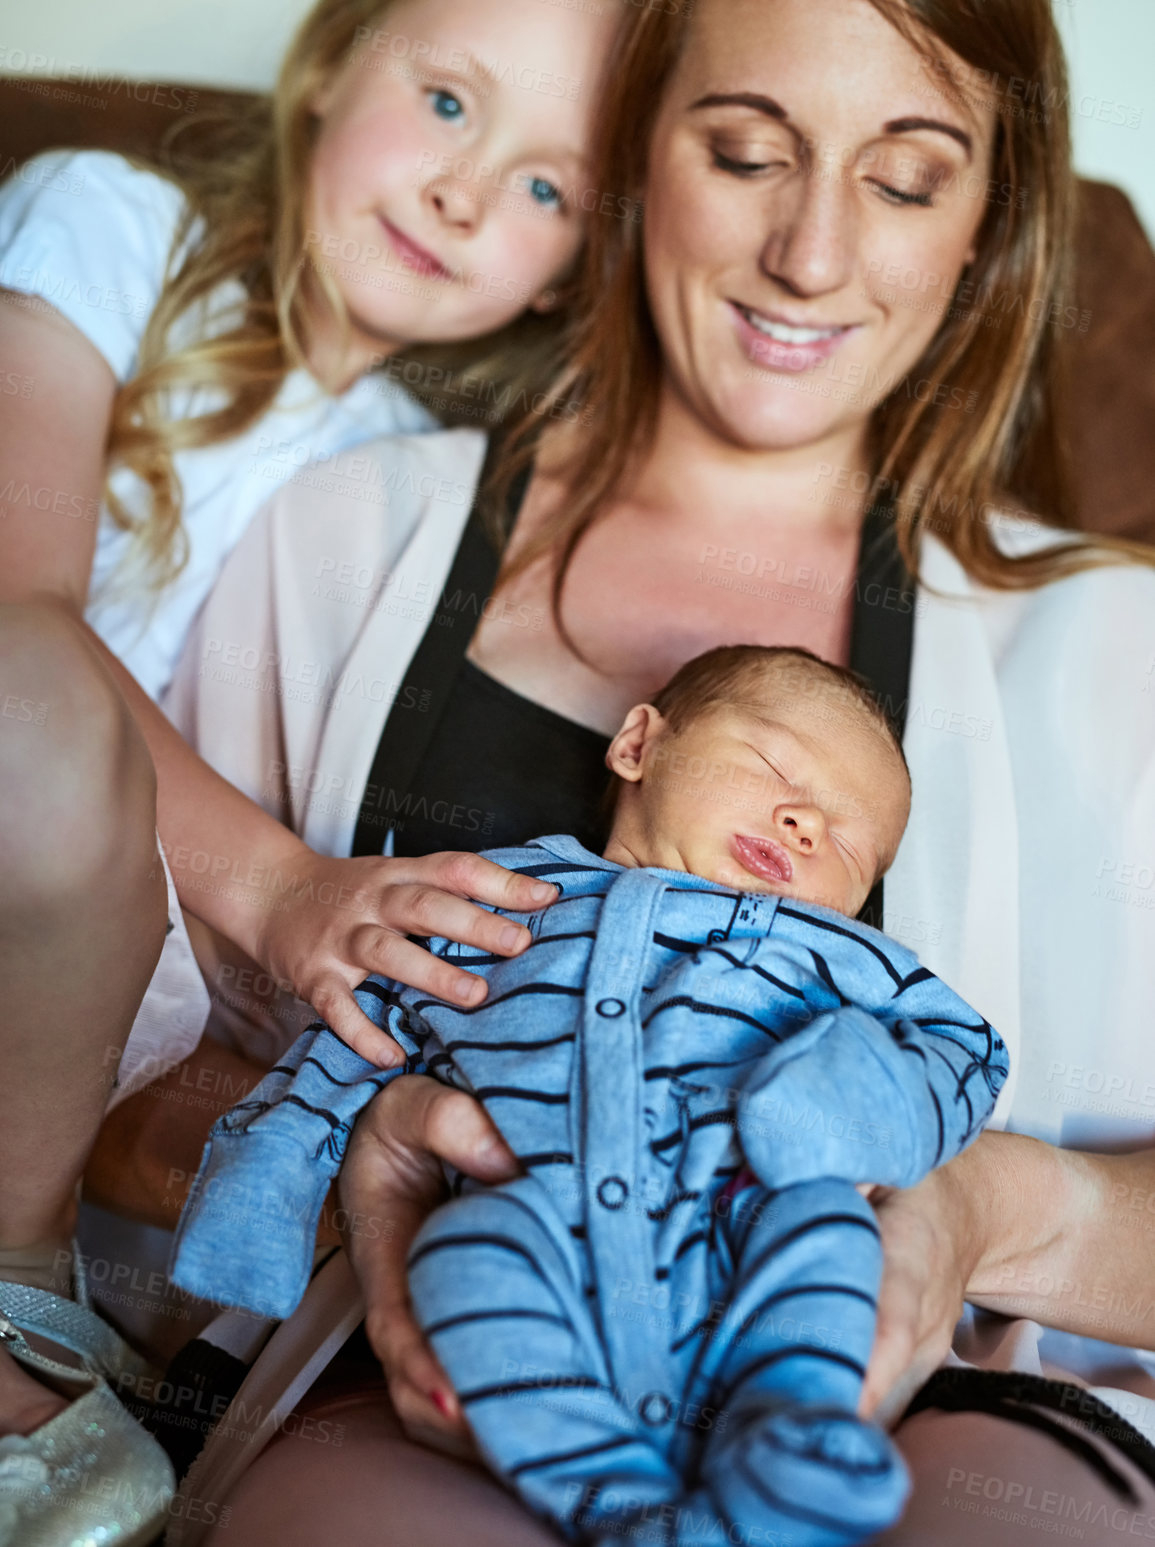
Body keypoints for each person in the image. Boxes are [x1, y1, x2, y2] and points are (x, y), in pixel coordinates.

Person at [156, 0, 1155, 1541]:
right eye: (749, 151)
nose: (813, 257)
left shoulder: (1120, 650)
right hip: (440, 1392)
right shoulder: (337, 545)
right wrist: (368, 1183)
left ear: (991, 221)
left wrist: (983, 1211)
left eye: (908, 177)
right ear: (636, 163)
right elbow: (104, 1087)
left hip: (930, 1420)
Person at [0, 0, 655, 1544]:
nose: (457, 186)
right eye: (447, 99)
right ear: (330, 63)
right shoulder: (108, 223)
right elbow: (17, 614)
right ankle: (6, 1287)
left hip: (121, 965)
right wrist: (286, 885)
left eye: (545, 188)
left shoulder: (412, 487)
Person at [172, 643, 1010, 1544]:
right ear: (638, 744)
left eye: (852, 842)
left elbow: (968, 1051)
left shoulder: (844, 962)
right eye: (774, 766)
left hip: (739, 1228)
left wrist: (848, 1105)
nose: (807, 823)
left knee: (827, 1238)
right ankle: (624, 1507)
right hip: (538, 1225)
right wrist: (264, 1190)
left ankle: (789, 1430)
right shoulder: (497, 899)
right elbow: (362, 1020)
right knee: (465, 1261)